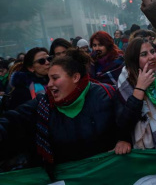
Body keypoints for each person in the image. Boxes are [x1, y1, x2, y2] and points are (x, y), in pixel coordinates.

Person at [0, 48, 132, 179]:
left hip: (109, 176)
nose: (50, 84)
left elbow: (129, 123)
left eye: (55, 78)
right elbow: (12, 121)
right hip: (67, 179)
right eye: (49, 79)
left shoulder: (106, 95)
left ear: (75, 77)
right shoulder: (42, 105)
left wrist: (124, 139)